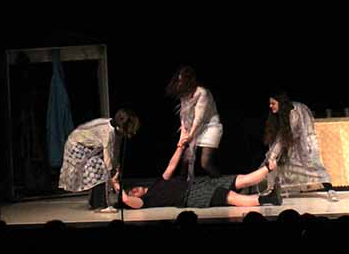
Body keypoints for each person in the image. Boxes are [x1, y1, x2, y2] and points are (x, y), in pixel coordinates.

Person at [116, 137, 282, 210]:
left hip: (197, 183)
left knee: (239, 179)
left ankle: (268, 168)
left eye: (131, 189)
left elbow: (171, 165)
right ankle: (269, 199)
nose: (133, 191)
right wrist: (115, 183)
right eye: (131, 193)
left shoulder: (157, 184)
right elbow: (125, 199)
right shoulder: (145, 201)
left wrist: (180, 145)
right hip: (193, 196)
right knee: (231, 197)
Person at [58, 108, 140, 211]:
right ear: (120, 127)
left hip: (86, 145)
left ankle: (95, 202)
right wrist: (113, 177)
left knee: (99, 168)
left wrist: (116, 167)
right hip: (77, 146)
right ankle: (101, 205)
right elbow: (108, 158)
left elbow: (115, 150)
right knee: (101, 168)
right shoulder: (107, 132)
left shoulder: (112, 127)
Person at [263, 91, 338, 202]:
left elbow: (283, 137)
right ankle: (273, 190)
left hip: (305, 142)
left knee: (313, 166)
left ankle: (330, 190)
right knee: (280, 165)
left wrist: (273, 155)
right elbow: (282, 137)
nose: (270, 106)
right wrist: (273, 156)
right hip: (291, 141)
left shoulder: (294, 112)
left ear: (281, 103)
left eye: (273, 103)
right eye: (270, 103)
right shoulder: (282, 114)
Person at [166, 66, 222, 178]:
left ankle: (220, 181)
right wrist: (183, 134)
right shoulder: (184, 93)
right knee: (185, 162)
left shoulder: (202, 93)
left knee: (205, 163)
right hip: (192, 127)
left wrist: (190, 135)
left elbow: (199, 117)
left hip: (209, 127)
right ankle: (182, 184)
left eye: (182, 79)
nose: (180, 82)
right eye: (179, 79)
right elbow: (183, 114)